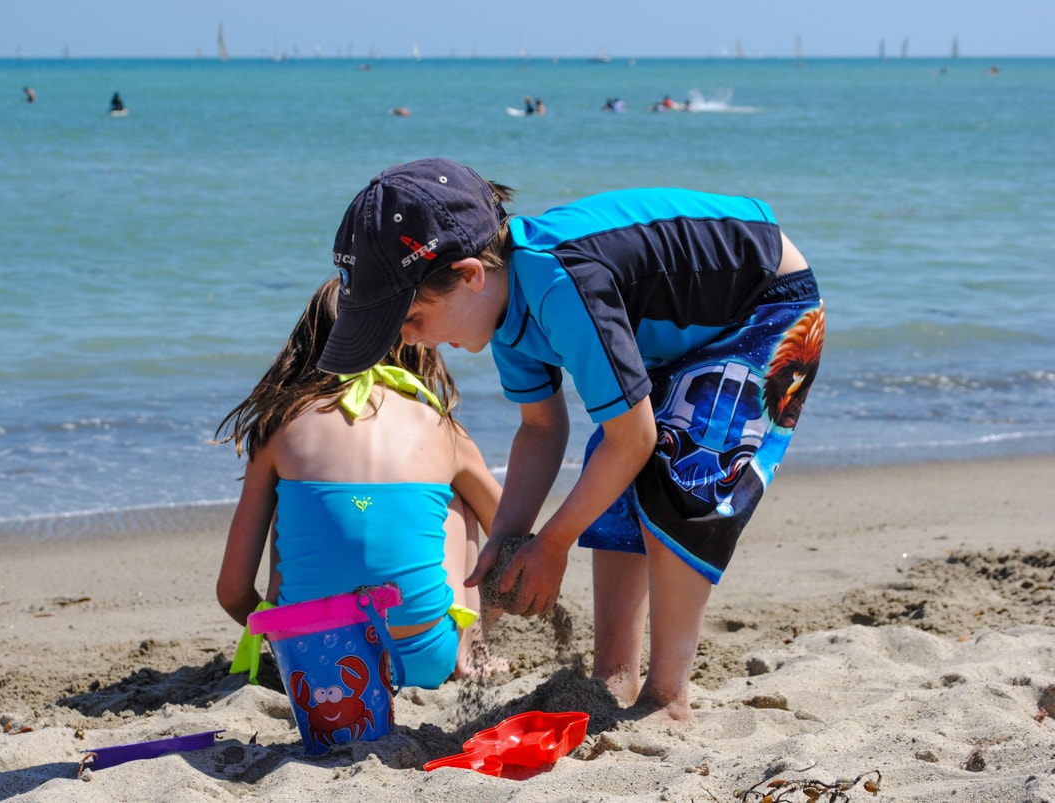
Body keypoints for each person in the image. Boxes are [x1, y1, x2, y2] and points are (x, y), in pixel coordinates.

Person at [318, 158, 825, 721]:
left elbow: (634, 438)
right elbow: (541, 428)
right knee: (605, 471)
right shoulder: (504, 312)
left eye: (411, 319)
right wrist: (506, 540)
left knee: (687, 475)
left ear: (470, 276)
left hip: (762, 303)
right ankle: (613, 675)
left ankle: (666, 697)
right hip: (685, 327)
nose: (411, 341)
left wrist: (552, 544)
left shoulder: (558, 282)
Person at [214, 277, 504, 688]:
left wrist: (279, 633)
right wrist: (489, 612)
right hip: (422, 658)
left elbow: (232, 590)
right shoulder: (442, 430)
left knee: (297, 502)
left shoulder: (280, 427)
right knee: (457, 500)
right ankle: (470, 651)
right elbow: (511, 534)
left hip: (310, 662)